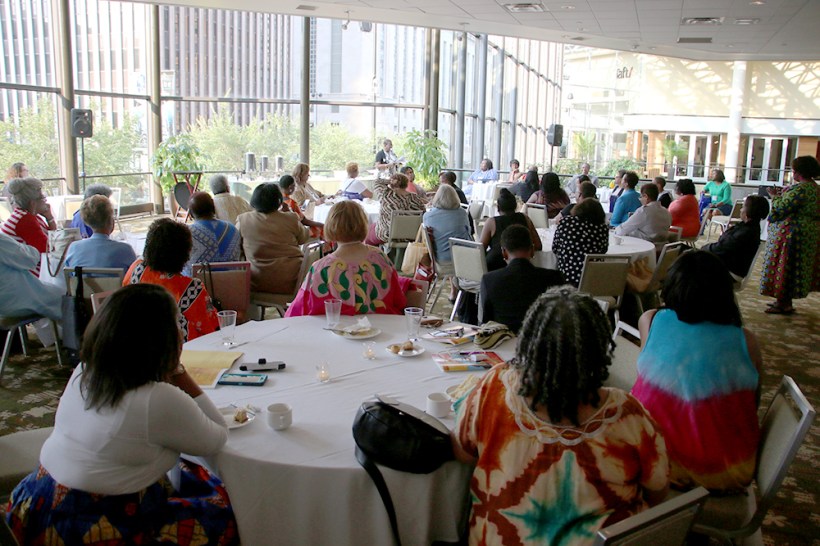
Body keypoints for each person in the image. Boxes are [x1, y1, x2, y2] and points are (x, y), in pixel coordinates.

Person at [5, 284, 238, 546]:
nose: (182, 331)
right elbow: (217, 437)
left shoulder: (86, 370)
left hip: (39, 499)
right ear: (160, 338)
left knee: (187, 472)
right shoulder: (156, 397)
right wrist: (179, 371)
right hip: (93, 524)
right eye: (176, 323)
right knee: (223, 509)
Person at [453, 288, 669, 545]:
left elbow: (463, 454)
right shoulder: (627, 414)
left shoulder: (495, 387)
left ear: (528, 343)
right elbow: (657, 491)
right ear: (600, 350)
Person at [632, 251, 762, 492]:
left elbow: (643, 379)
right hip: (731, 470)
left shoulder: (650, 320)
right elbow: (752, 404)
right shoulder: (747, 341)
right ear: (725, 293)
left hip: (659, 465)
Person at [286, 201, 408, 317]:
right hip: (385, 332)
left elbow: (298, 311)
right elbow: (398, 300)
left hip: (334, 334)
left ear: (330, 226)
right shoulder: (380, 257)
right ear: (364, 224)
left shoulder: (321, 268)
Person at [123, 218, 219, 342]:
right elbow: (212, 327)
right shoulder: (190, 289)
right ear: (184, 254)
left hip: (136, 344)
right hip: (179, 353)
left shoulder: (135, 270)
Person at [760, 155, 820, 315]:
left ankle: (783, 303)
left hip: (793, 235)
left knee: (784, 267)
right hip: (809, 234)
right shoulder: (815, 188)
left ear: (799, 172)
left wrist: (774, 196)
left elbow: (781, 209)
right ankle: (785, 301)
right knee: (795, 269)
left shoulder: (800, 190)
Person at [479, 224, 564, 332]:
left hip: (505, 342)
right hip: (542, 342)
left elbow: (486, 323)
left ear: (504, 253)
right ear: (532, 250)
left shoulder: (489, 280)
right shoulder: (554, 277)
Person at [236, 182, 309, 295]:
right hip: (292, 281)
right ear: (279, 200)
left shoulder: (243, 220)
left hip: (258, 282)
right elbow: (303, 238)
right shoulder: (290, 218)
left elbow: (237, 247)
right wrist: (289, 212)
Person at [703, 195, 770, 281]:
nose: (740, 210)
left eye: (742, 207)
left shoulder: (746, 232)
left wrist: (703, 248)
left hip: (729, 272)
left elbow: (720, 248)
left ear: (748, 211)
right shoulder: (749, 227)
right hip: (726, 264)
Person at [64, 195, 137, 272]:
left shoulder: (74, 248)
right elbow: (136, 277)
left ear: (87, 222)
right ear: (111, 221)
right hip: (115, 284)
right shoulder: (125, 250)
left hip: (81, 284)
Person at [0, 232, 63, 320]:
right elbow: (30, 259)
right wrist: (29, 249)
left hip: (7, 300)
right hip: (12, 302)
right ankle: (77, 333)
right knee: (67, 298)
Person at [1, 177, 57, 276]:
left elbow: (53, 238)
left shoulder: (24, 215)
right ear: (33, 203)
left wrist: (49, 218)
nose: (45, 200)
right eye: (42, 198)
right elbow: (48, 249)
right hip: (29, 275)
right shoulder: (25, 220)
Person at [182, 192, 242, 276]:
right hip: (231, 284)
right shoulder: (232, 229)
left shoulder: (186, 233)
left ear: (191, 214)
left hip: (197, 286)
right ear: (213, 209)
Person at [553, 199, 610, 286]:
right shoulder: (603, 228)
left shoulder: (567, 222)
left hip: (567, 278)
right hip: (594, 280)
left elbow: (555, 248)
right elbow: (603, 251)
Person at [481, 188, 541, 271]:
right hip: (522, 266)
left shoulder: (491, 222)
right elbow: (538, 245)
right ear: (515, 206)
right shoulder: (525, 218)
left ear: (498, 208)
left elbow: (480, 249)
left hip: (495, 266)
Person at [365, 172, 425, 246]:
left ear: (392, 184)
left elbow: (377, 182)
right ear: (406, 184)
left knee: (368, 232)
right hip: (413, 236)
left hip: (388, 235)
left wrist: (390, 181)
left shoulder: (386, 195)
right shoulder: (416, 198)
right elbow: (424, 213)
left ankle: (375, 256)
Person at [423, 184, 471, 273]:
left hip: (441, 259)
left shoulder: (428, 216)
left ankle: (454, 285)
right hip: (464, 257)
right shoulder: (462, 213)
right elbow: (469, 232)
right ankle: (456, 285)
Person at [279, 175, 324, 240]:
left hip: (282, 233)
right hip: (295, 234)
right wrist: (322, 224)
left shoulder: (276, 201)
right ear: (290, 187)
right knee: (324, 229)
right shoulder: (291, 203)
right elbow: (304, 221)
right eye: (295, 186)